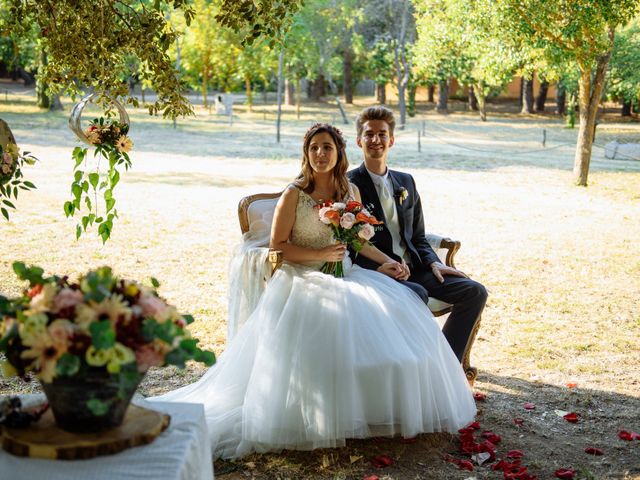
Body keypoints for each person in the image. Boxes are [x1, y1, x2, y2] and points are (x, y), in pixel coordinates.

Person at [150, 123, 476, 459]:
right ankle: (315, 415)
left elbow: (357, 241)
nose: (320, 154)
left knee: (396, 315)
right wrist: (320, 255)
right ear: (306, 154)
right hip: (302, 278)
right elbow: (277, 246)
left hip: (347, 275)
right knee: (331, 324)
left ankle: (369, 410)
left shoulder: (350, 192)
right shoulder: (294, 194)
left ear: (339, 154)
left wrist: (387, 261)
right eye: (314, 148)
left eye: (327, 148)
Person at [347, 106, 488, 364]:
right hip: (379, 273)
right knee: (416, 294)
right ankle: (417, 368)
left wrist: (434, 262)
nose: (375, 140)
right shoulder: (349, 184)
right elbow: (351, 242)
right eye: (369, 134)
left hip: (417, 267)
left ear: (392, 140)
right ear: (359, 140)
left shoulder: (406, 182)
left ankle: (447, 365)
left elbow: (419, 236)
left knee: (475, 291)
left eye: (382, 134)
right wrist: (382, 266)